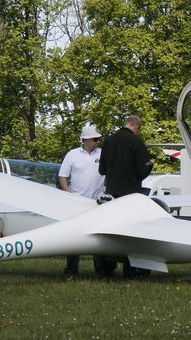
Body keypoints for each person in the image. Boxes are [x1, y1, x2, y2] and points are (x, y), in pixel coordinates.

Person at [98, 116, 154, 277]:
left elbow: (102, 170)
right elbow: (143, 168)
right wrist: (149, 166)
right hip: (130, 193)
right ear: (136, 126)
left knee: (109, 230)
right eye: (140, 128)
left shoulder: (108, 141)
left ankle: (105, 267)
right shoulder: (135, 142)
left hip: (111, 192)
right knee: (132, 233)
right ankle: (131, 269)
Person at [59, 124, 107, 276]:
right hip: (75, 203)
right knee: (73, 237)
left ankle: (101, 270)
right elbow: (63, 176)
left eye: (98, 139)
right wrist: (68, 195)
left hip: (97, 203)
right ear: (86, 140)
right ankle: (71, 269)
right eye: (95, 139)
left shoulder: (103, 154)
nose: (98, 142)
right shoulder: (72, 155)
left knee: (99, 237)